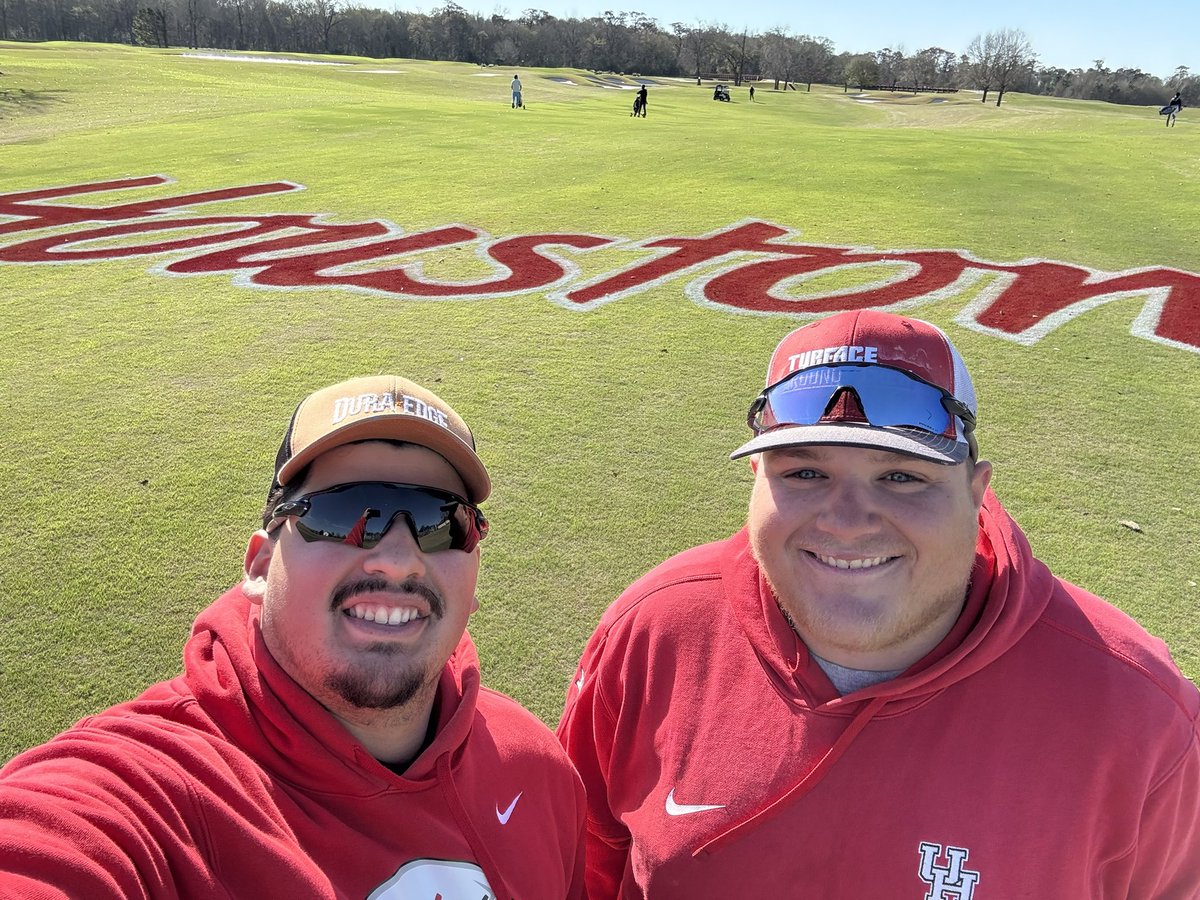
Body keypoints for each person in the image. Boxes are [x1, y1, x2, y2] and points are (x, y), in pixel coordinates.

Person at [557, 309, 1200, 897]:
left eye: (901, 476)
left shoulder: (1137, 711)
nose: (846, 521)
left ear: (977, 493)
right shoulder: (654, 629)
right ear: (757, 482)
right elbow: (582, 860)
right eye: (804, 473)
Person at [0, 375, 586, 898]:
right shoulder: (154, 794)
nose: (400, 560)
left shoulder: (536, 766)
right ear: (259, 566)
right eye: (346, 514)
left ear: (474, 578)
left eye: (442, 523)